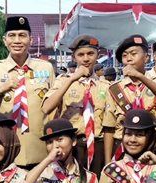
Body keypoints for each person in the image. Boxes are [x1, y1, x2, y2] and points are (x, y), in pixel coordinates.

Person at [0, 16, 55, 168]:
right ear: (4, 40)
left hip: (39, 146)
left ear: (31, 40)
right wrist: (0, 91)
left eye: (22, 35)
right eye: (12, 35)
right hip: (6, 149)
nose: (17, 40)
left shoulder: (45, 68)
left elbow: (54, 108)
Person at [42, 35, 110, 175]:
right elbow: (46, 107)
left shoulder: (105, 86)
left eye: (90, 54)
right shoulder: (63, 82)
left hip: (98, 144)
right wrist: (72, 79)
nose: (86, 59)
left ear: (98, 55)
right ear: (74, 57)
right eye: (81, 55)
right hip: (73, 145)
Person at [103, 35, 156, 163]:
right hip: (124, 146)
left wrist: (140, 76)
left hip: (152, 146)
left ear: (146, 57)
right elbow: (109, 127)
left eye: (133, 54)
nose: (129, 59)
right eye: (125, 56)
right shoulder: (115, 89)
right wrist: (108, 162)